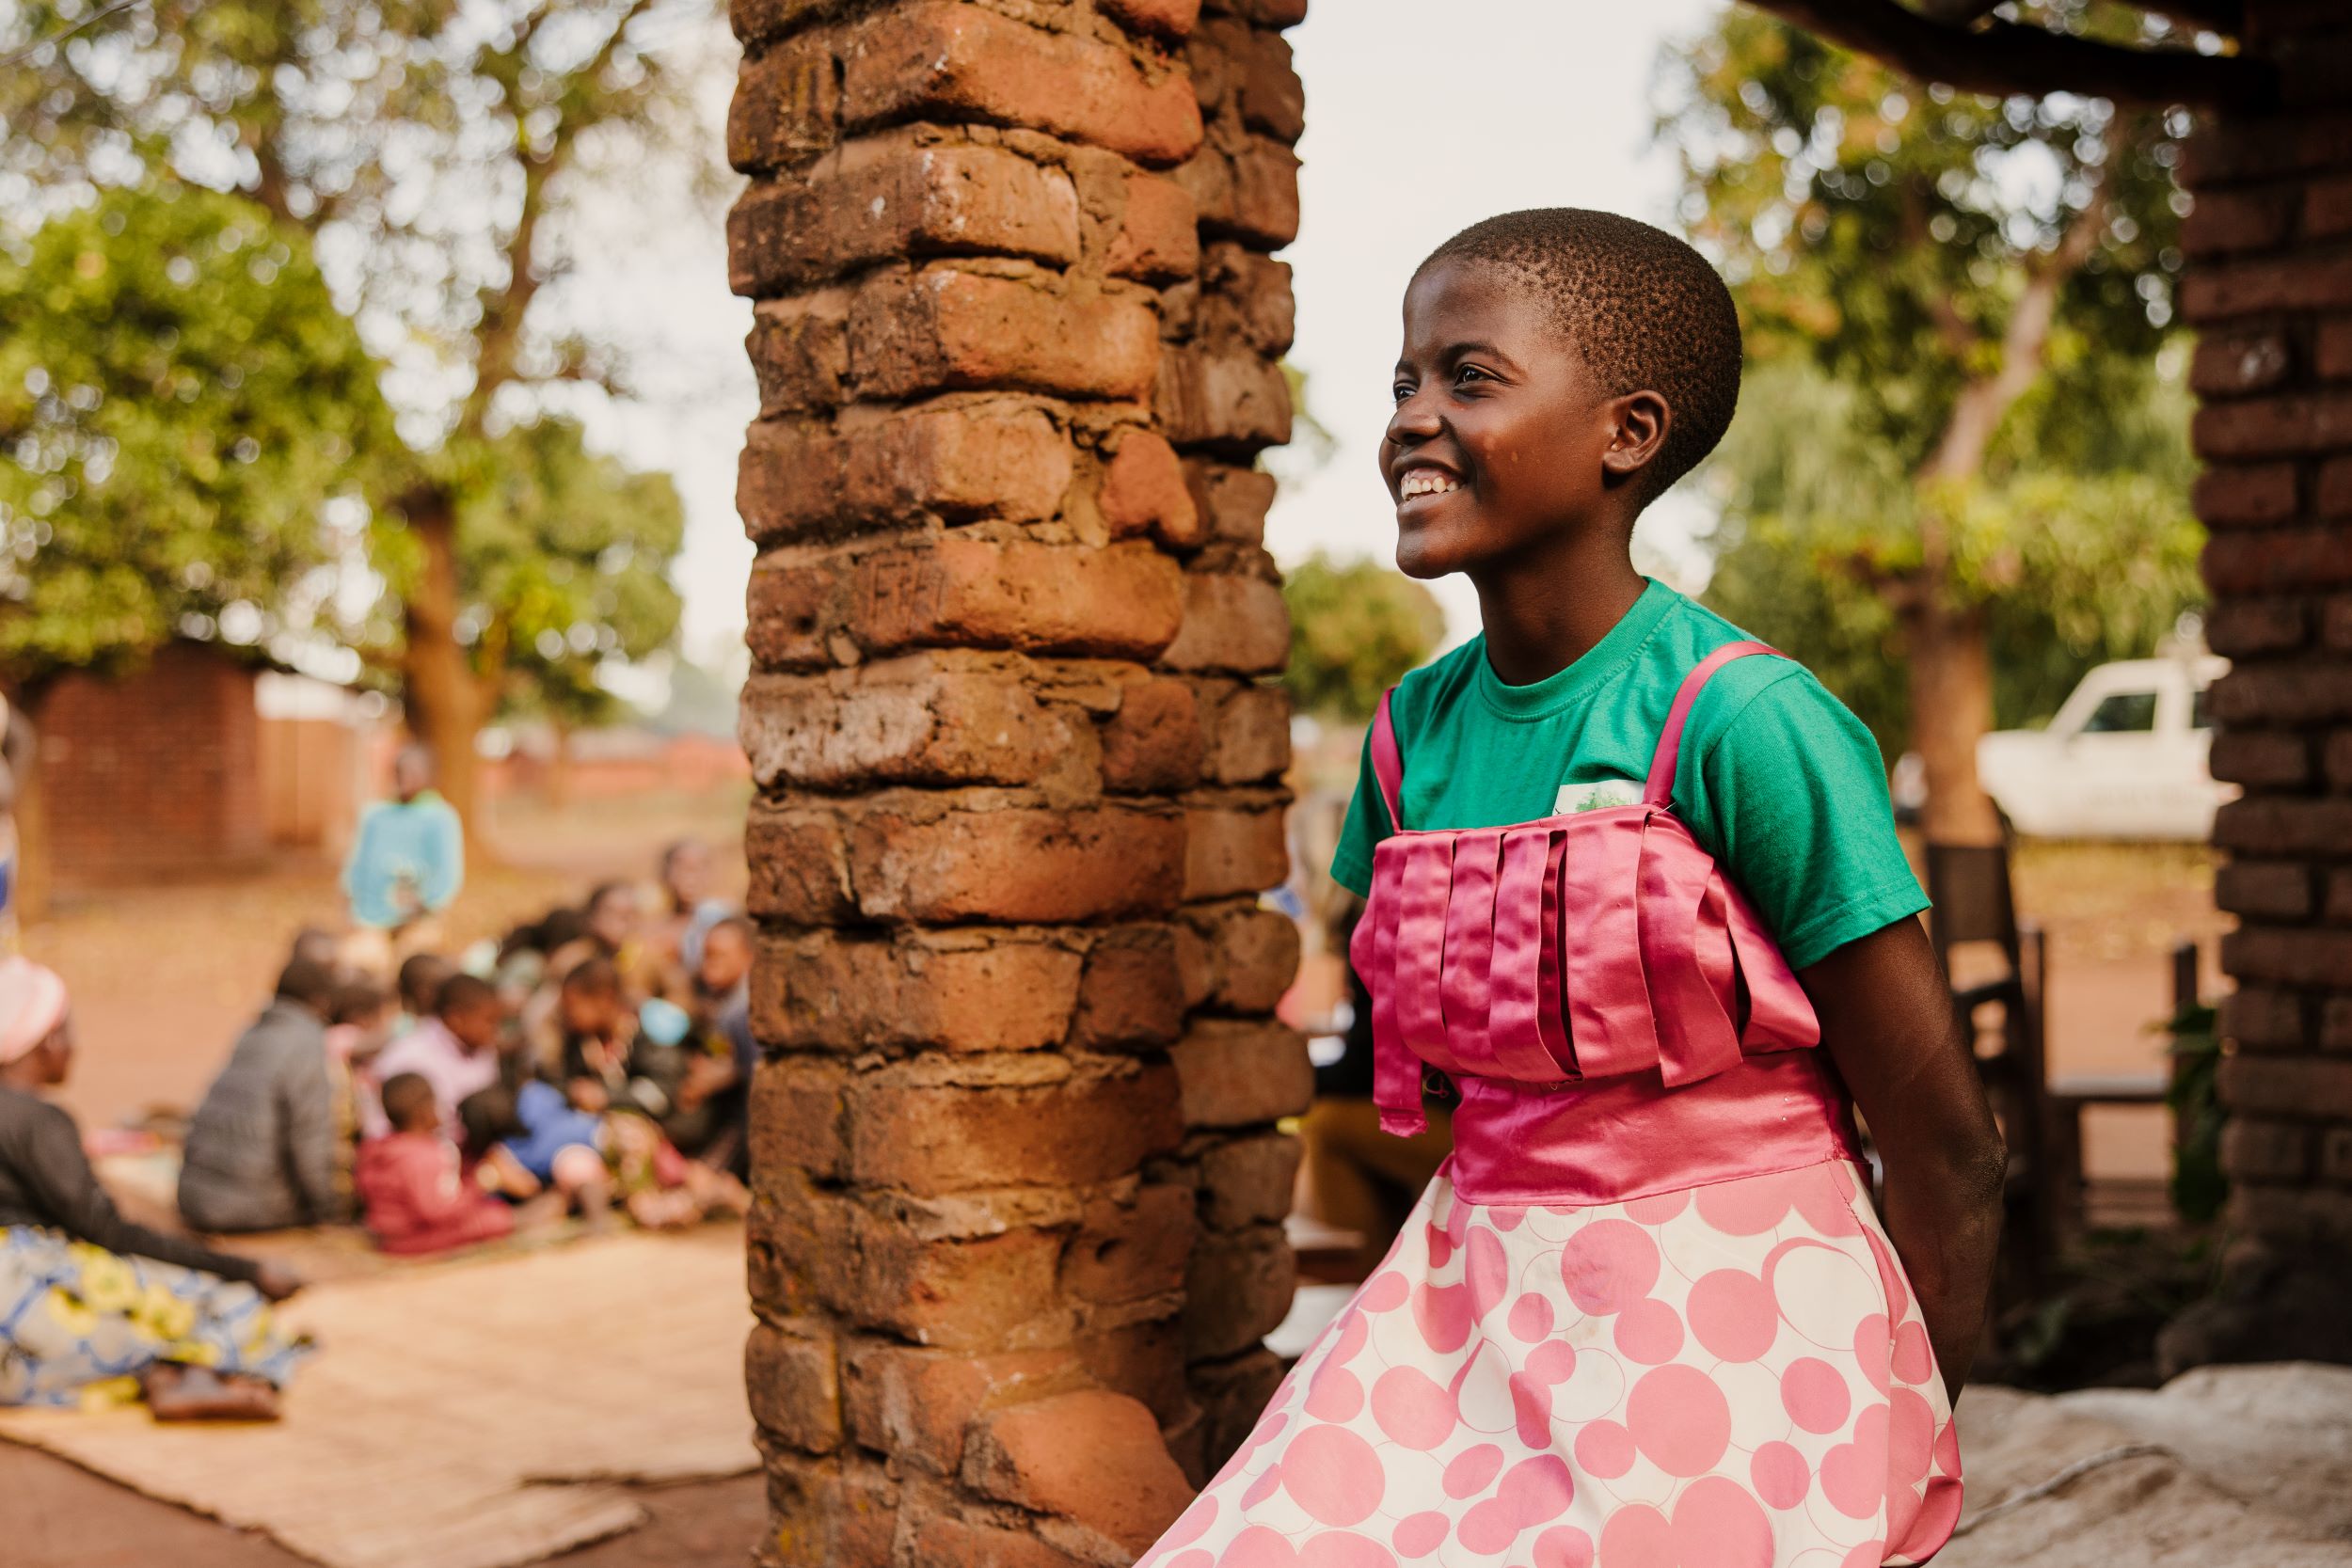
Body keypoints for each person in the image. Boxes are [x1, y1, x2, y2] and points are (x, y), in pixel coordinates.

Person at [1138, 212, 2007, 1568]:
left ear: (1629, 432)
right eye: (1403, 384)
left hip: (1742, 1332)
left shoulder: (1742, 721)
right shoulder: (1408, 740)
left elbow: (1944, 1137)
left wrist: (1903, 1419)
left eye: (1468, 378)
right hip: (1475, 1308)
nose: (1413, 421)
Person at [0, 958, 309, 1418]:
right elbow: (109, 1231)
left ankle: (169, 1376)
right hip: (23, 1305)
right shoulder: (40, 1123)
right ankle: (185, 1372)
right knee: (233, 1307)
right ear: (49, 1040)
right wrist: (241, 1269)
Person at [176, 955, 348, 1234]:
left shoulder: (253, 1032)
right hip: (250, 1209)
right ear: (320, 1001)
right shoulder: (307, 1041)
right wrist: (327, 1208)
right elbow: (309, 1139)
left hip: (193, 1198)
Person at [356, 1072, 557, 1256]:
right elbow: (435, 1212)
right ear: (424, 1111)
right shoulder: (421, 1155)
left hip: (390, 1238)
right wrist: (478, 1186)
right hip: (416, 1240)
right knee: (493, 1219)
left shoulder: (376, 1150)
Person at [342, 744, 464, 970]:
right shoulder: (375, 816)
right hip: (371, 916)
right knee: (359, 964)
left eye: (412, 772)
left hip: (418, 920)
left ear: (428, 776)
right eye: (399, 771)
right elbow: (354, 868)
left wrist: (421, 905)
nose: (404, 778)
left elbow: (448, 876)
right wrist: (353, 908)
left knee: (415, 966)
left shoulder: (440, 817)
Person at [358, 973, 506, 1139]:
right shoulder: (406, 1056)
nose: (495, 1031)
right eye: (489, 1021)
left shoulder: (484, 1052)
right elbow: (378, 1130)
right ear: (456, 1018)